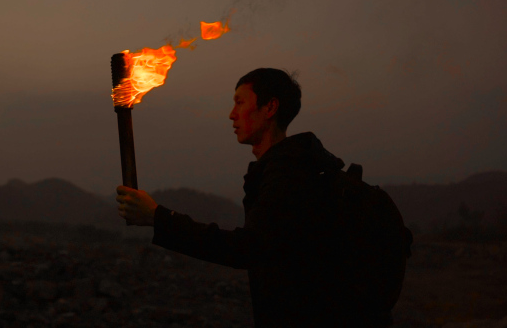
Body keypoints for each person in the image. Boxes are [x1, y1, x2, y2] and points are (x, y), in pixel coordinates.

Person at [116, 68, 394, 327]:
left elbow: (249, 249)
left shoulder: (290, 174)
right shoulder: (296, 166)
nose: (231, 114)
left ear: (270, 108)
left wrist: (158, 218)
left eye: (240, 102)